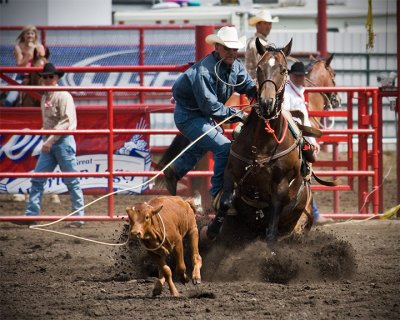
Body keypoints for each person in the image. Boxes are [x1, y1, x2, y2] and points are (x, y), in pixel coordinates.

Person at [164, 26, 257, 240]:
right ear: (217, 47)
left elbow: (249, 87)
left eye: (234, 49)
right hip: (189, 115)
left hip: (204, 116)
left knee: (203, 143)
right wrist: (238, 115)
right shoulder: (203, 71)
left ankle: (174, 171)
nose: (232, 52)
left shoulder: (237, 68)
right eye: (227, 48)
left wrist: (259, 98)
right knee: (224, 147)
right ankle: (217, 196)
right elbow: (210, 106)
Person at [14, 63, 85, 227]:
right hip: (52, 142)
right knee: (38, 179)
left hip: (61, 142)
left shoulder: (63, 96)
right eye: (44, 77)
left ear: (56, 77)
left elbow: (66, 122)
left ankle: (78, 217)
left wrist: (49, 139)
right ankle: (31, 214)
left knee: (70, 181)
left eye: (50, 76)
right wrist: (46, 133)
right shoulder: (47, 97)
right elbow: (58, 121)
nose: (47, 79)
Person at [282, 61, 325, 223]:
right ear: (291, 76)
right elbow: (290, 116)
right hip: (293, 136)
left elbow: (304, 119)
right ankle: (312, 211)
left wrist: (311, 139)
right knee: (305, 169)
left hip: (297, 134)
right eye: (297, 76)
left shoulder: (297, 90)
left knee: (305, 170)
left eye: (301, 76)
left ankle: (312, 210)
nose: (300, 78)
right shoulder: (289, 92)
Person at [4, 24, 46, 107]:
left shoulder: (40, 47)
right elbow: (19, 65)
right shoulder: (18, 47)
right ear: (23, 35)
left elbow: (42, 62)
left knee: (49, 97)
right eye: (27, 33)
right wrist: (29, 54)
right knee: (9, 100)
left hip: (37, 77)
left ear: (35, 35)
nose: (30, 35)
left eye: (32, 33)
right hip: (22, 76)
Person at [245, 10, 279, 80]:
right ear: (258, 25)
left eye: (270, 24)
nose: (268, 26)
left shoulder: (256, 41)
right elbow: (263, 66)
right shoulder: (257, 43)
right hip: (258, 83)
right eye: (265, 23)